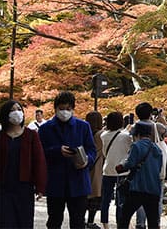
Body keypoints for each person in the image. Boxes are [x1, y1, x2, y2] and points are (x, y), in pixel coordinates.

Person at [39, 91, 97, 229]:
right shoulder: (45, 128)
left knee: (78, 222)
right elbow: (39, 154)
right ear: (55, 109)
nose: (64, 112)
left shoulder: (83, 126)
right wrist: (57, 151)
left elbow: (92, 150)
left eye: (68, 109)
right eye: (61, 108)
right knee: (54, 220)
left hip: (78, 180)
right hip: (55, 181)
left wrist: (86, 160)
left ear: (73, 109)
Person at [0, 100, 47, 228]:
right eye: (12, 110)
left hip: (24, 187)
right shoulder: (0, 137)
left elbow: (39, 160)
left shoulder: (31, 135)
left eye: (19, 109)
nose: (16, 113)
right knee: (4, 222)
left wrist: (40, 186)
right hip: (3, 187)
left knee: (23, 221)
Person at [115, 121, 163, 229]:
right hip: (153, 188)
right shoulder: (157, 149)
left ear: (137, 134)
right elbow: (159, 168)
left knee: (125, 217)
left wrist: (121, 166)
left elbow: (130, 163)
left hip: (137, 187)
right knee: (153, 221)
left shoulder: (136, 146)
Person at [132, 102, 167, 229]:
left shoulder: (134, 127)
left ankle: (140, 223)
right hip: (155, 167)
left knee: (139, 196)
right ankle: (155, 223)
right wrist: (162, 119)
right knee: (157, 198)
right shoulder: (157, 126)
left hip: (139, 165)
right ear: (150, 113)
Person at [100, 112, 132, 229]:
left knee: (105, 199)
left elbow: (104, 153)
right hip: (122, 171)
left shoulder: (103, 135)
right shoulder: (126, 136)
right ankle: (121, 224)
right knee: (121, 201)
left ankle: (105, 224)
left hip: (108, 169)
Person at [85, 111, 104, 229]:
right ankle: (90, 221)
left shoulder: (85, 133)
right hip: (97, 168)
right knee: (94, 197)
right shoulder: (100, 135)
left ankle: (81, 220)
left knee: (84, 197)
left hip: (85, 166)